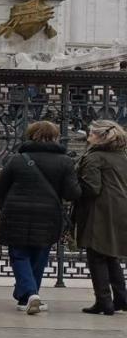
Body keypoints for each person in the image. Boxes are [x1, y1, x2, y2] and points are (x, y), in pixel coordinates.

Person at [0, 121, 80, 315]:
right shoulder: (65, 161)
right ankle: (30, 294)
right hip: (48, 215)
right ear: (55, 137)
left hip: (16, 213)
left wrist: (5, 206)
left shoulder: (17, 159)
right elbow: (72, 193)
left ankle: (28, 295)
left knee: (19, 255)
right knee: (40, 255)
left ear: (30, 135)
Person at [74, 120, 127, 315]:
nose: (88, 136)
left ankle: (103, 301)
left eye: (91, 133)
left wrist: (74, 186)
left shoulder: (95, 157)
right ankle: (121, 298)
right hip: (120, 207)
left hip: (100, 210)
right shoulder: (122, 156)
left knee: (96, 255)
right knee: (111, 255)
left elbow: (92, 188)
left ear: (100, 137)